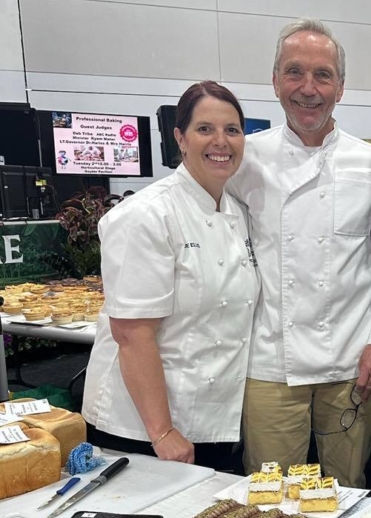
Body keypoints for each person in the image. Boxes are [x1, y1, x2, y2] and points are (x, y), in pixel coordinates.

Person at [228, 19, 371, 488]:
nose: (309, 88)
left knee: (347, 490)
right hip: (269, 361)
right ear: (275, 81)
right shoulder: (246, 159)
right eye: (294, 72)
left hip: (350, 360)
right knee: (268, 494)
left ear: (341, 87)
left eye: (323, 75)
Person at [82, 81, 258, 471]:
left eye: (232, 130)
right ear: (180, 138)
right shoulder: (145, 215)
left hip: (209, 421)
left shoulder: (237, 214)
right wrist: (161, 431)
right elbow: (132, 333)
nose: (221, 141)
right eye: (204, 129)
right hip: (141, 428)